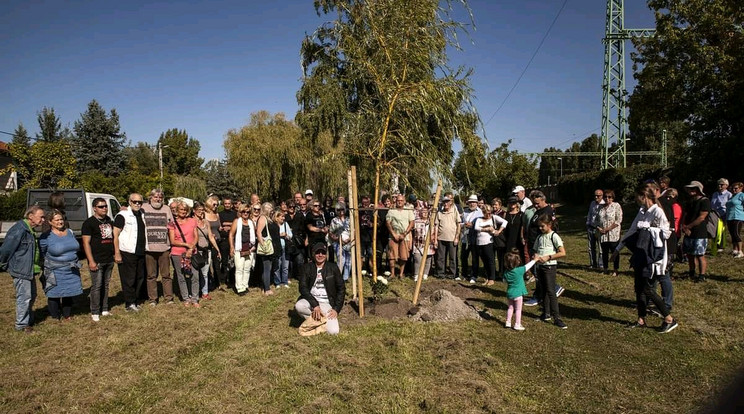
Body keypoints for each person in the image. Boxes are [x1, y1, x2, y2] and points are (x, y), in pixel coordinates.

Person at [611, 183, 679, 333]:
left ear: (644, 196)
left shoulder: (658, 212)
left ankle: (669, 318)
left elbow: (666, 233)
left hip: (653, 256)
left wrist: (648, 229)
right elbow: (633, 229)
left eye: (637, 198)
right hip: (640, 253)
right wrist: (617, 249)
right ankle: (641, 319)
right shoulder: (642, 211)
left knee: (647, 289)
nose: (636, 201)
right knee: (638, 288)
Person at [0, 206, 45, 332]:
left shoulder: (30, 230)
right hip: (21, 269)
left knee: (32, 295)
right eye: (41, 216)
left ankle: (28, 319)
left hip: (29, 269)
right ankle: (22, 325)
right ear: (31, 216)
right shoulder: (19, 229)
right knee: (24, 297)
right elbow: (6, 249)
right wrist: (4, 264)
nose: (43, 220)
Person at [40, 209, 84, 321]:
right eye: (57, 220)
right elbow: (43, 252)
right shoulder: (46, 237)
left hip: (71, 269)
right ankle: (55, 316)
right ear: (50, 222)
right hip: (55, 270)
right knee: (54, 293)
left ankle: (67, 314)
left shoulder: (70, 232)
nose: (60, 222)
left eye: (61, 219)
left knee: (69, 291)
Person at [294, 243, 345, 335]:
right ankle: (319, 321)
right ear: (313, 254)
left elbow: (341, 289)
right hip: (311, 300)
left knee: (333, 331)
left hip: (326, 302)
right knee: (299, 306)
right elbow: (303, 288)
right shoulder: (307, 267)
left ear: (326, 254)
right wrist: (315, 305)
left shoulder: (333, 267)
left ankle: (315, 322)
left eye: (323, 253)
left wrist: (336, 309)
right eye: (318, 252)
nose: (320, 255)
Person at [524, 191, 564, 306]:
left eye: (537, 203)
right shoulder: (538, 211)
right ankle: (542, 294)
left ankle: (543, 294)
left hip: (542, 246)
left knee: (539, 272)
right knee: (537, 272)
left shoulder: (547, 211)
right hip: (534, 243)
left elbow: (553, 228)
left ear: (543, 199)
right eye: (533, 203)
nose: (535, 205)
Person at [82, 198, 115, 321]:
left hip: (109, 259)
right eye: (101, 206)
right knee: (97, 285)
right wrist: (91, 261)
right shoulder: (89, 223)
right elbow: (86, 243)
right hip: (97, 260)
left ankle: (105, 308)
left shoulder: (109, 221)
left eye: (105, 206)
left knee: (106, 285)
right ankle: (95, 311)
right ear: (94, 208)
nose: (104, 208)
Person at [532, 214, 567, 329]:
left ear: (549, 225)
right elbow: (536, 250)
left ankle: (557, 317)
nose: (540, 228)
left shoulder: (554, 236)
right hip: (540, 267)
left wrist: (549, 257)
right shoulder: (540, 237)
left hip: (550, 267)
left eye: (542, 226)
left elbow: (562, 252)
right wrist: (536, 256)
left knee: (551, 291)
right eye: (539, 227)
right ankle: (546, 314)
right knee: (543, 290)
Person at [114, 193, 148, 312]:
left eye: (140, 202)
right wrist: (117, 252)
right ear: (129, 202)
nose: (137, 204)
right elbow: (115, 234)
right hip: (127, 251)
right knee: (129, 279)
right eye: (135, 201)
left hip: (140, 251)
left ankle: (135, 300)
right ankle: (129, 303)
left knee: (140, 277)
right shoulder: (122, 215)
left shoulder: (142, 214)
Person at [141, 189, 174, 306]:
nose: (158, 199)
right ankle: (153, 299)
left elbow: (171, 227)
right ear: (150, 198)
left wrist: (171, 245)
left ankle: (168, 298)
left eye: (160, 197)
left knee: (166, 275)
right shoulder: (143, 208)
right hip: (149, 248)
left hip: (164, 248)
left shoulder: (166, 209)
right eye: (155, 197)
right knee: (151, 276)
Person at [168, 200, 200, 307]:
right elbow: (172, 241)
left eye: (185, 210)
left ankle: (195, 298)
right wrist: (186, 245)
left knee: (194, 275)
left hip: (192, 252)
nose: (183, 211)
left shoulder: (192, 221)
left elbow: (196, 236)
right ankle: (186, 298)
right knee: (181, 276)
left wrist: (191, 248)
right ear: (177, 210)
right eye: (181, 209)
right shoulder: (172, 223)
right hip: (177, 253)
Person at [681, 181, 711, 282]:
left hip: (699, 231)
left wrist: (688, 226)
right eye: (690, 188)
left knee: (700, 254)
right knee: (689, 254)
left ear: (698, 190)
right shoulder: (690, 201)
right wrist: (684, 226)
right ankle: (691, 272)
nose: (691, 190)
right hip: (688, 231)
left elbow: (702, 217)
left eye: (693, 188)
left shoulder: (704, 201)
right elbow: (685, 214)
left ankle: (701, 275)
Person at [472, 205, 507, 285]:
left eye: (489, 213)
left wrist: (498, 231)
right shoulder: (479, 219)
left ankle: (492, 278)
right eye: (486, 213)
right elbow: (476, 228)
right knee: (484, 261)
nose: (488, 215)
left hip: (489, 242)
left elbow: (505, 222)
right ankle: (488, 277)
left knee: (490, 260)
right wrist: (487, 229)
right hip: (479, 242)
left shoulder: (494, 217)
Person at [503, 249, 536, 331]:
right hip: (518, 295)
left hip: (510, 294)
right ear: (516, 263)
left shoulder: (506, 273)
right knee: (518, 309)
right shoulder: (519, 270)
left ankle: (508, 322)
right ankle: (517, 324)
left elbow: (504, 281)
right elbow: (528, 266)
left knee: (510, 308)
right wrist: (535, 260)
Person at [193, 201, 221, 300]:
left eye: (202, 210)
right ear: (194, 211)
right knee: (195, 273)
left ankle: (205, 292)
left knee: (205, 273)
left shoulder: (206, 222)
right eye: (199, 210)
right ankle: (195, 292)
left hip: (206, 250)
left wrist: (217, 249)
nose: (201, 212)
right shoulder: (191, 222)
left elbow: (210, 237)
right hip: (196, 251)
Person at [228, 205, 256, 295]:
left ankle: (245, 285)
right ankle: (239, 288)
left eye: (247, 212)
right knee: (239, 269)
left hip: (249, 248)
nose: (245, 213)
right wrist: (232, 247)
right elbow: (231, 235)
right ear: (240, 212)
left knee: (247, 268)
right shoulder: (237, 221)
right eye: (244, 211)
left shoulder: (251, 222)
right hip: (239, 248)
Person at [386, 194, 415, 279]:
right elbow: (388, 222)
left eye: (401, 200)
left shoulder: (408, 210)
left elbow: (412, 223)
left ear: (404, 201)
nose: (399, 202)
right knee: (392, 256)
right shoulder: (392, 210)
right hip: (393, 236)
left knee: (403, 256)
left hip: (404, 236)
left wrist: (405, 233)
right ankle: (392, 274)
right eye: (398, 200)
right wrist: (393, 234)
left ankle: (401, 274)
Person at [595, 190, 623, 277]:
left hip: (613, 233)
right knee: (604, 252)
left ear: (613, 198)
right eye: (605, 197)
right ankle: (605, 268)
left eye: (609, 197)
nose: (607, 199)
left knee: (614, 251)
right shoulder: (600, 207)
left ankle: (615, 269)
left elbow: (618, 220)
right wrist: (599, 228)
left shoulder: (616, 206)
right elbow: (596, 220)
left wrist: (608, 229)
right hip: (603, 234)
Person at [435, 193, 461, 280]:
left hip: (452, 238)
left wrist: (457, 237)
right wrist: (435, 239)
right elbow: (436, 226)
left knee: (452, 257)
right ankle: (440, 273)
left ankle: (452, 273)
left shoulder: (454, 211)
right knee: (440, 257)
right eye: (444, 202)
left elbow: (458, 224)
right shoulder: (439, 213)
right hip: (441, 238)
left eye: (447, 202)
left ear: (450, 202)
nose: (446, 203)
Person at [256, 202, 279, 295]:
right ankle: (267, 289)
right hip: (267, 247)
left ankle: (264, 286)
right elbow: (258, 232)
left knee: (268, 267)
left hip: (272, 246)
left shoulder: (270, 219)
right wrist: (263, 244)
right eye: (270, 208)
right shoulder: (262, 218)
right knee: (266, 268)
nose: (272, 210)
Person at [459, 194, 483, 281]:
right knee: (463, 257)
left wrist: (472, 225)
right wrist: (464, 224)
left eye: (474, 202)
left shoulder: (480, 212)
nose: (472, 204)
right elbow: (460, 223)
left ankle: (474, 275)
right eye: (470, 202)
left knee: (474, 258)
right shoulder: (465, 211)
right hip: (465, 237)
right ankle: (464, 274)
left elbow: (481, 223)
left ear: (476, 203)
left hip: (475, 238)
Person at [204, 195, 224, 290]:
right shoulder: (204, 215)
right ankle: (208, 282)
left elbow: (218, 226)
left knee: (216, 263)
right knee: (207, 264)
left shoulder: (217, 215)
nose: (216, 206)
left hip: (217, 241)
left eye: (217, 204)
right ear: (209, 204)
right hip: (208, 242)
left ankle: (218, 282)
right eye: (214, 204)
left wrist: (221, 229)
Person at [328, 202, 352, 281]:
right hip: (338, 243)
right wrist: (338, 240)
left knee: (349, 260)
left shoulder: (349, 219)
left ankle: (345, 277)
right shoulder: (334, 220)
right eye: (338, 210)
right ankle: (338, 276)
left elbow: (353, 231)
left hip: (349, 242)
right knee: (341, 260)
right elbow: (331, 232)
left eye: (342, 209)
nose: (341, 211)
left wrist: (349, 239)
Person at [412, 207, 437, 282]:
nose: (425, 213)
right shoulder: (416, 222)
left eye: (426, 212)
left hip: (429, 243)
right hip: (418, 243)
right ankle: (416, 275)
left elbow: (435, 231)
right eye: (423, 212)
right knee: (417, 260)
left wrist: (435, 241)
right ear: (420, 213)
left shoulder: (432, 222)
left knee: (428, 260)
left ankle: (425, 274)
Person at [218, 196, 237, 288]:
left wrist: (228, 225)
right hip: (224, 240)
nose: (227, 205)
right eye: (225, 203)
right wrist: (231, 224)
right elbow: (220, 226)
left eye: (229, 203)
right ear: (223, 204)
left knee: (234, 260)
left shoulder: (235, 214)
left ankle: (233, 280)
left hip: (234, 240)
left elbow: (236, 225)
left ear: (231, 204)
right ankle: (224, 280)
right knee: (224, 261)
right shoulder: (220, 214)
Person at [711, 178, 732, 255]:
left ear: (726, 185)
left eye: (722, 184)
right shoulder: (715, 194)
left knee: (721, 230)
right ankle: (715, 245)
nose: (719, 186)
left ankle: (721, 246)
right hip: (714, 213)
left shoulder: (729, 194)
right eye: (718, 184)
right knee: (714, 229)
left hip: (723, 214)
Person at [586, 189, 605, 270]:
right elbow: (590, 214)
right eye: (595, 195)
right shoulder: (592, 203)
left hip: (599, 229)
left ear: (602, 196)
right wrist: (587, 224)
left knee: (600, 248)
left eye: (598, 195)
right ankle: (593, 264)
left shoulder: (604, 204)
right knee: (591, 247)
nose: (596, 197)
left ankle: (600, 264)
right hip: (591, 227)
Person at [274, 210, 292, 288]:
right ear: (277, 217)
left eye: (284, 216)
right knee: (277, 265)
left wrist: (286, 235)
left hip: (285, 247)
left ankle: (285, 281)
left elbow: (291, 235)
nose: (283, 218)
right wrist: (279, 235)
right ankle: (277, 282)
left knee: (285, 265)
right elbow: (272, 236)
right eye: (281, 216)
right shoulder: (274, 225)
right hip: (277, 248)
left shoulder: (285, 224)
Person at [726, 182, 744, 258]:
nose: (734, 190)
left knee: (736, 234)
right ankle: (735, 249)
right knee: (732, 234)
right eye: (732, 188)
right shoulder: (732, 196)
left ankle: (740, 251)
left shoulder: (742, 195)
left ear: (740, 188)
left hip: (738, 216)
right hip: (729, 217)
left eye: (736, 188)